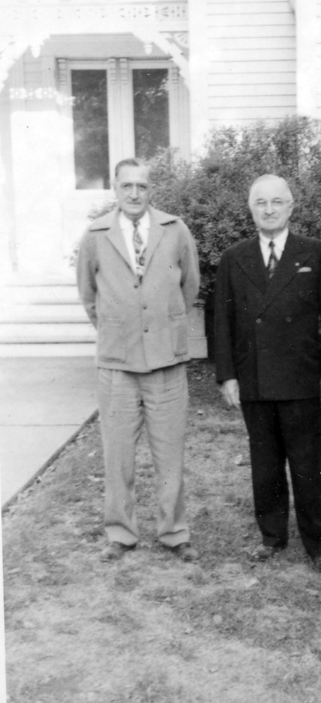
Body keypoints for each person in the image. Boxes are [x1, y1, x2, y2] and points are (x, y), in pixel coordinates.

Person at [214, 174, 321, 574]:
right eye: (260, 203)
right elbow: (222, 321)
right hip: (253, 378)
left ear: (291, 207)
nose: (268, 210)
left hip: (302, 379)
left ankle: (318, 545)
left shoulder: (316, 253)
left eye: (276, 202)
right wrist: (227, 376)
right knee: (265, 462)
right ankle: (272, 536)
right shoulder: (233, 257)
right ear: (250, 209)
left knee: (306, 463)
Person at [76, 158, 200, 562]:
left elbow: (189, 286)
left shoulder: (175, 230)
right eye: (126, 185)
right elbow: (89, 296)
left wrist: (162, 328)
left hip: (166, 363)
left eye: (141, 186)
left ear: (151, 190)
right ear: (114, 187)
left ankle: (174, 533)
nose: (134, 193)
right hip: (117, 364)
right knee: (117, 454)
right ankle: (121, 533)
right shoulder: (95, 234)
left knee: (170, 452)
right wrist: (119, 328)